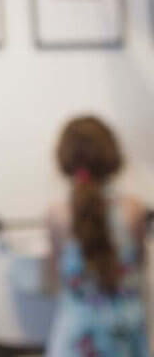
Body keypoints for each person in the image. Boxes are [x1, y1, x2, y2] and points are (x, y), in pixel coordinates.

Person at [45, 115, 149, 357]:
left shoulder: (58, 215)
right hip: (125, 335)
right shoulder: (134, 209)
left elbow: (57, 276)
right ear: (111, 156)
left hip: (76, 335)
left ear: (65, 160)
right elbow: (139, 266)